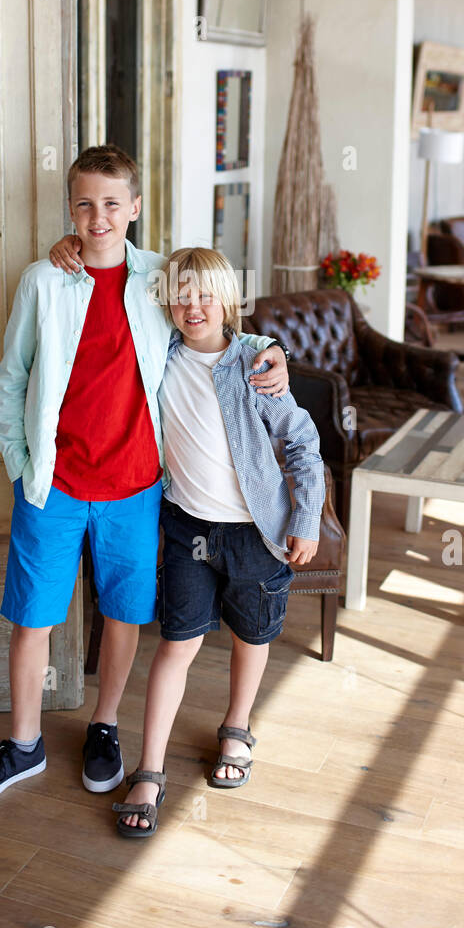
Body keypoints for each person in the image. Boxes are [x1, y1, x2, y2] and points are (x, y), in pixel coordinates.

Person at [0, 145, 289, 804]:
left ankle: (104, 726)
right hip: (54, 485)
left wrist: (268, 347)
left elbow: (217, 320)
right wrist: (21, 467)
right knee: (32, 618)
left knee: (124, 614)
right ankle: (23, 745)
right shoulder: (43, 281)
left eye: (111, 203)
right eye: (83, 204)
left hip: (136, 488)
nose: (97, 216)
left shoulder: (161, 277)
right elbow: (12, 378)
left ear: (134, 208)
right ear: (69, 209)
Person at [112, 246, 324, 839]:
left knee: (250, 635)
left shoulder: (254, 363)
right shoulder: (161, 356)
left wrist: (305, 518)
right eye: (181, 294)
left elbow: (303, 444)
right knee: (176, 642)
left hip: (257, 531)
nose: (192, 306)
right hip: (188, 528)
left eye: (206, 294)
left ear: (228, 300)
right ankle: (150, 770)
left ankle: (236, 727)